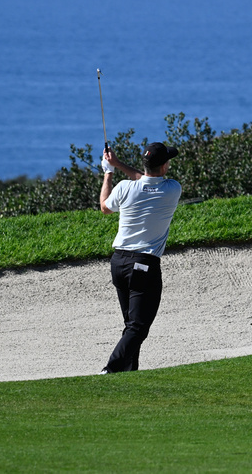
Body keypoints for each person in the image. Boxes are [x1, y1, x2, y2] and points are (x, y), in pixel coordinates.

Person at [98, 141, 182, 374]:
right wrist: (118, 164)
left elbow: (105, 207)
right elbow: (145, 179)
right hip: (144, 264)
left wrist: (109, 171)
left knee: (131, 326)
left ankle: (129, 373)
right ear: (164, 167)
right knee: (138, 328)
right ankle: (111, 369)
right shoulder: (173, 189)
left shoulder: (125, 187)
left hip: (119, 262)